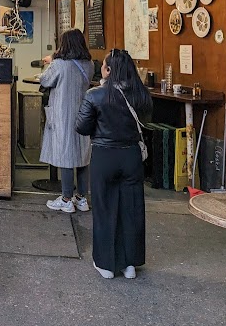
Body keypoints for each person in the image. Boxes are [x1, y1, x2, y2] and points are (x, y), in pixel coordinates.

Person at [76, 48, 153, 279]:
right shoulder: (140, 95)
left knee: (104, 208)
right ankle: (130, 264)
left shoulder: (95, 95)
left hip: (104, 156)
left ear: (108, 70)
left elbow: (81, 126)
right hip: (131, 157)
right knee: (131, 209)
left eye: (104, 66)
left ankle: (107, 264)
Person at [38, 29, 94, 213]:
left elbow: (45, 80)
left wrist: (51, 62)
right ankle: (82, 198)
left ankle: (66, 199)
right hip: (84, 113)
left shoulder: (60, 64)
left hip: (64, 114)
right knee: (83, 155)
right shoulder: (89, 64)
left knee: (66, 155)